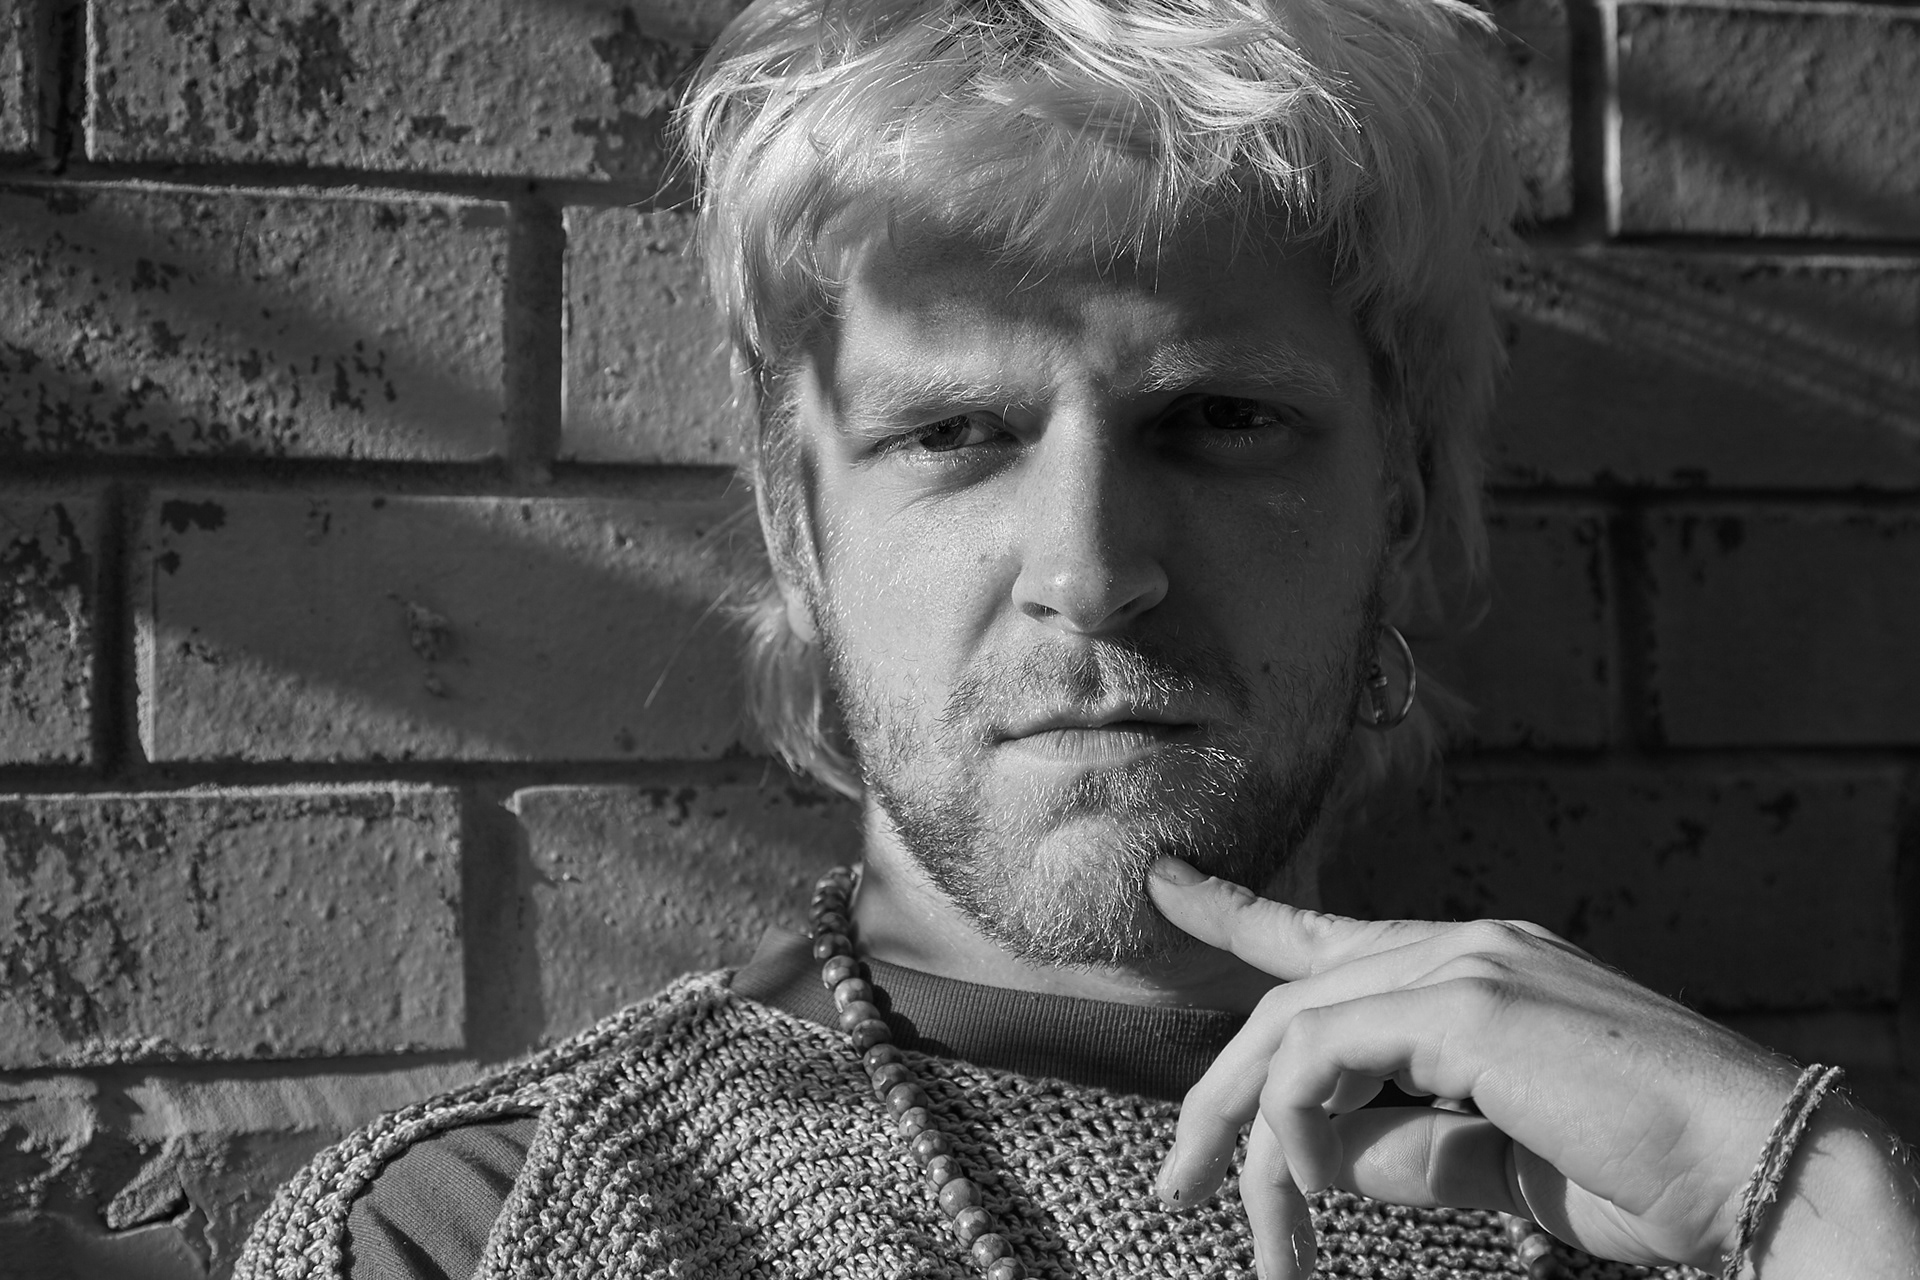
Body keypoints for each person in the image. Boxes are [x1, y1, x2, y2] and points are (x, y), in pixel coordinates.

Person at [237, 0, 1920, 1277]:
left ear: (1399, 497)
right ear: (795, 525)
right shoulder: (489, 1231)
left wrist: (1824, 1205)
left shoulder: (1670, 1196)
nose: (1093, 570)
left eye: (1220, 419)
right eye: (954, 433)